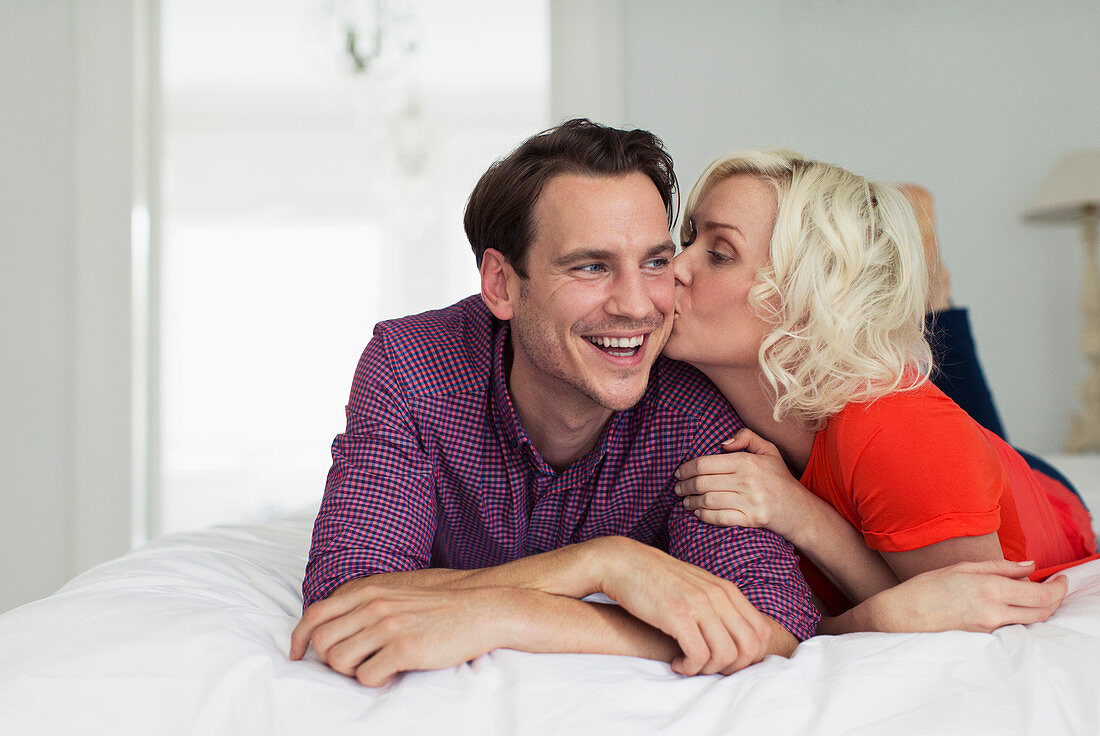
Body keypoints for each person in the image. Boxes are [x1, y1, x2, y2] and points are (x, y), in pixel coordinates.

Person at [289, 120, 820, 687]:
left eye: (655, 262)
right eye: (591, 266)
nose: (638, 306)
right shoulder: (411, 369)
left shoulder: (693, 405)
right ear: (501, 284)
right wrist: (604, 564)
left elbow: (770, 619)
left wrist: (511, 615)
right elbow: (349, 600)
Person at [666, 149, 1096, 631]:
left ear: (806, 299)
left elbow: (964, 621)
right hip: (940, 457)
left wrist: (803, 515)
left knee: (935, 408)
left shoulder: (898, 433)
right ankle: (933, 295)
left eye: (720, 253)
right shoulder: (684, 398)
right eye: (687, 238)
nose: (673, 266)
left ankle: (936, 295)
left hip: (1044, 503)